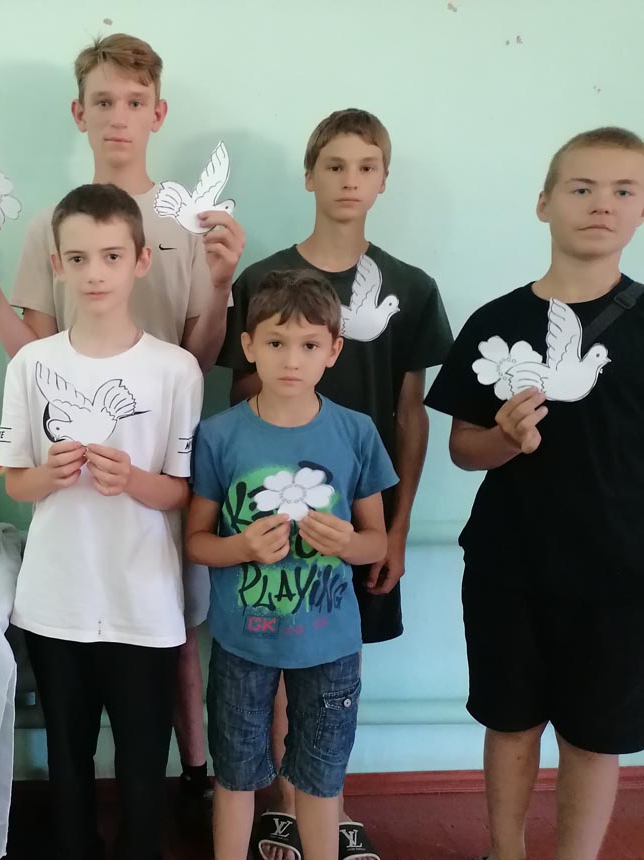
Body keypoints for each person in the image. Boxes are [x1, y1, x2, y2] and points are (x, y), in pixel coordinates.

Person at [0, 32, 246, 809]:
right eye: (104, 102)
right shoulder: (51, 225)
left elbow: (198, 359)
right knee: (98, 654)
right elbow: (33, 356)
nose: (119, 117)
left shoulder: (187, 225)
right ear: (78, 113)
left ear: (158, 113)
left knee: (172, 626)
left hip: (157, 467)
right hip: (76, 489)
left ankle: (191, 780)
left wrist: (221, 284)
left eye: (134, 102)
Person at [218, 108, 451, 858]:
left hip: (356, 520)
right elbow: (238, 404)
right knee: (268, 655)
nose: (349, 180)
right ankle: (283, 811)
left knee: (332, 661)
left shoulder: (411, 288)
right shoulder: (262, 281)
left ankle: (327, 806)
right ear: (309, 175)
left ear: (384, 180)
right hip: (269, 523)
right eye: (334, 165)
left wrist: (397, 529)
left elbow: (410, 414)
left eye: (366, 166)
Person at [424, 126, 644, 860]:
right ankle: (505, 850)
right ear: (544, 202)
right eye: (581, 188)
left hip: (620, 577)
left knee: (595, 737)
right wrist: (505, 438)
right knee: (510, 722)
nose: (601, 204)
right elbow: (462, 448)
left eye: (623, 190)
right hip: (508, 568)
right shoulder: (494, 322)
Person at [0, 184, 203, 859]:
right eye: (79, 258)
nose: (95, 273)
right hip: (55, 602)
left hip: (144, 603)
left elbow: (180, 492)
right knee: (68, 763)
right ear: (56, 265)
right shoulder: (32, 364)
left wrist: (133, 480)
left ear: (140, 261)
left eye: (111, 256)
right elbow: (16, 481)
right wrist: (49, 476)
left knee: (143, 769)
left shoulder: (175, 369)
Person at [191, 269, 397, 860]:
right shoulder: (219, 435)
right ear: (249, 345)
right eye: (276, 342)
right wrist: (243, 548)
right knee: (235, 774)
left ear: (333, 350)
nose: (291, 359)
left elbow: (377, 543)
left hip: (331, 644)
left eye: (309, 345)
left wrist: (347, 542)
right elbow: (196, 541)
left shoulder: (355, 432)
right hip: (242, 641)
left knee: (321, 777)